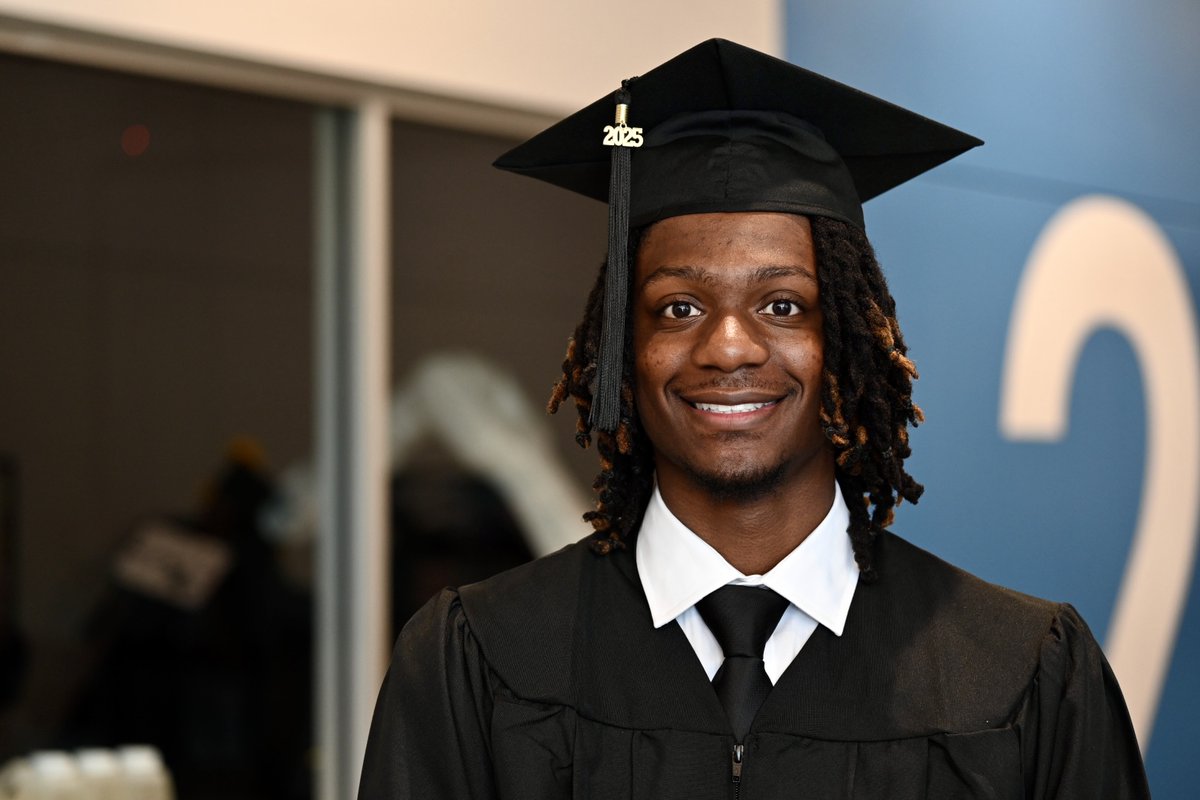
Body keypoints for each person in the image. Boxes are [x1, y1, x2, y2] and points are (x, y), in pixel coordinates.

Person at [359, 39, 1150, 799]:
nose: (728, 346)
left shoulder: (1018, 672)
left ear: (845, 338)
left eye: (783, 305)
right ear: (621, 349)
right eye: (678, 307)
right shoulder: (483, 658)